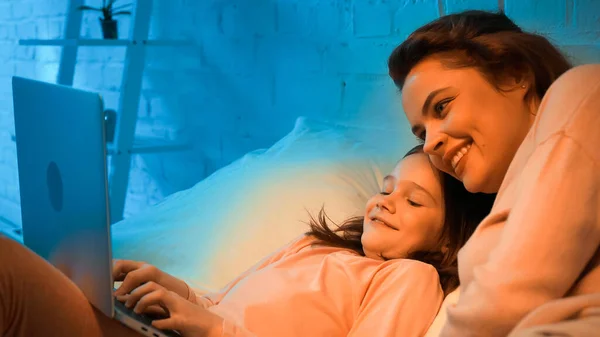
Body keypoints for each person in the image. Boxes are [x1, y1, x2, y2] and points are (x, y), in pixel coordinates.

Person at [0, 145, 495, 337]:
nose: (385, 201)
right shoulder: (315, 247)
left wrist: (217, 333)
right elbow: (223, 300)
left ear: (451, 237)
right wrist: (175, 290)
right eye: (386, 187)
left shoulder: (410, 277)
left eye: (413, 201)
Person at [388, 9, 600, 337]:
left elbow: (512, 293)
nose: (429, 145)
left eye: (442, 107)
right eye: (421, 133)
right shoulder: (509, 200)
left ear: (514, 75)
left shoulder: (582, 92)